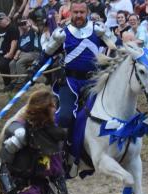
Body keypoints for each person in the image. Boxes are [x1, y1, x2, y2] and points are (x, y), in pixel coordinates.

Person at [32, 0, 115, 130]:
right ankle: (61, 147)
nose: (78, 15)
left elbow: (115, 47)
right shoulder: (62, 34)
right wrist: (34, 68)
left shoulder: (98, 30)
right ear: (70, 13)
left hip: (94, 81)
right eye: (75, 12)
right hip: (70, 81)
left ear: (87, 12)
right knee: (65, 117)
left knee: (107, 115)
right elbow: (46, 53)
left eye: (82, 12)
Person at [9, 19, 42, 89]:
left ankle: (22, 82)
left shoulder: (33, 31)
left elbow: (38, 30)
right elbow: (20, 48)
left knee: (19, 62)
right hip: (24, 54)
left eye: (24, 23)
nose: (23, 25)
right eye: (22, 24)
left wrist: (30, 25)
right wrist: (16, 56)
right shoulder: (22, 35)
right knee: (12, 63)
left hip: (35, 53)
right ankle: (15, 81)